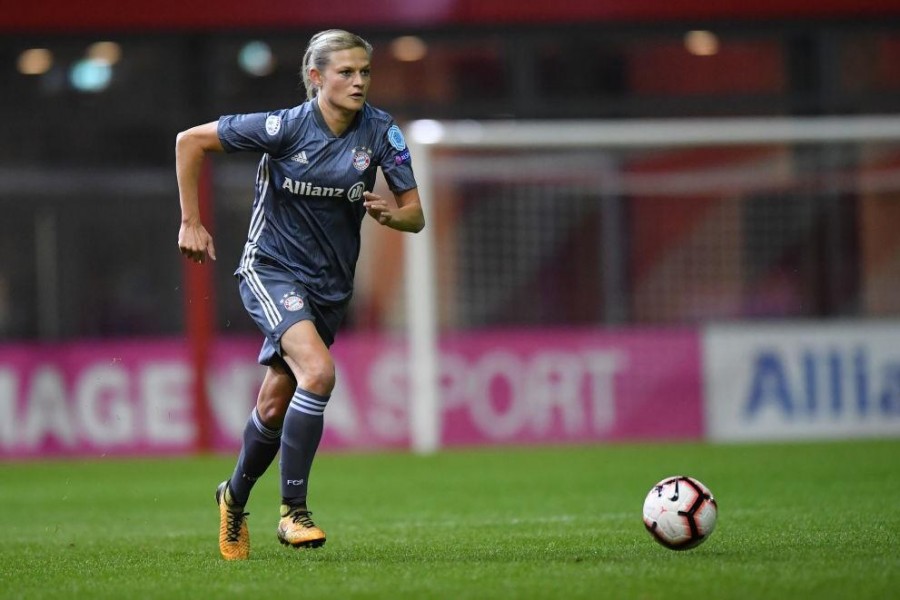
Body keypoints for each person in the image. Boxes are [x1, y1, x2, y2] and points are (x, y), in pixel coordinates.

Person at [175, 29, 424, 561]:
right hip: (271, 270)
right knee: (319, 373)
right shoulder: (284, 127)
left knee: (274, 402)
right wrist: (191, 222)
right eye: (346, 72)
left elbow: (415, 214)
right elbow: (189, 141)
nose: (359, 82)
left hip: (330, 286)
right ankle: (293, 512)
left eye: (365, 72)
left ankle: (232, 498)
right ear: (316, 77)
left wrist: (391, 214)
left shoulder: (381, 133)